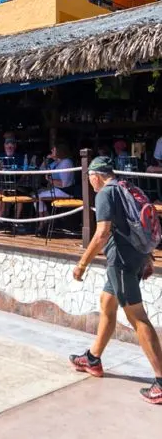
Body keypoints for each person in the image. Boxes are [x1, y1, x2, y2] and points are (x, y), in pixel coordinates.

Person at [69, 157, 162, 404]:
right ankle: (92, 358)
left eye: (89, 178)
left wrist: (82, 264)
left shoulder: (105, 194)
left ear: (96, 175)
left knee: (137, 318)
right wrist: (147, 258)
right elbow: (136, 224)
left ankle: (161, 381)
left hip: (120, 263)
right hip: (133, 258)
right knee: (107, 304)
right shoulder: (125, 187)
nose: (90, 183)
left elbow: (102, 233)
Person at [0, 133, 27, 223]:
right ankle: (0, 220)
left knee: (20, 195)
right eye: (7, 145)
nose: (10, 146)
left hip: (17, 184)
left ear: (15, 146)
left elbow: (24, 172)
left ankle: (15, 222)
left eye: (12, 145)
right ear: (4, 146)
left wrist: (18, 183)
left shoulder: (20, 157)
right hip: (2, 184)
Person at [36, 143, 76, 215]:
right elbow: (41, 169)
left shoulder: (66, 163)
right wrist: (47, 159)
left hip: (65, 191)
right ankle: (46, 217)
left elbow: (64, 184)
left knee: (39, 196)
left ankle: (42, 221)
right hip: (56, 189)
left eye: (54, 149)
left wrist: (49, 180)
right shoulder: (56, 162)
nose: (51, 150)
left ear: (59, 151)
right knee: (35, 194)